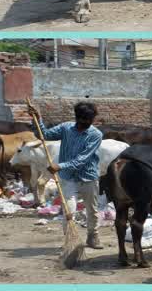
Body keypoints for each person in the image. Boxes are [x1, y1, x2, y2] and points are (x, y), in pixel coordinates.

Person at [27, 101, 104, 249]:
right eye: (83, 121)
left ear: (93, 119)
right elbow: (44, 135)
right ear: (77, 118)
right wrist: (37, 117)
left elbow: (82, 159)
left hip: (88, 177)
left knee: (92, 210)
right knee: (69, 210)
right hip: (68, 177)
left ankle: (93, 236)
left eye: (89, 121)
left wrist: (60, 165)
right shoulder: (66, 128)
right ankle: (70, 240)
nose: (86, 124)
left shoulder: (96, 135)